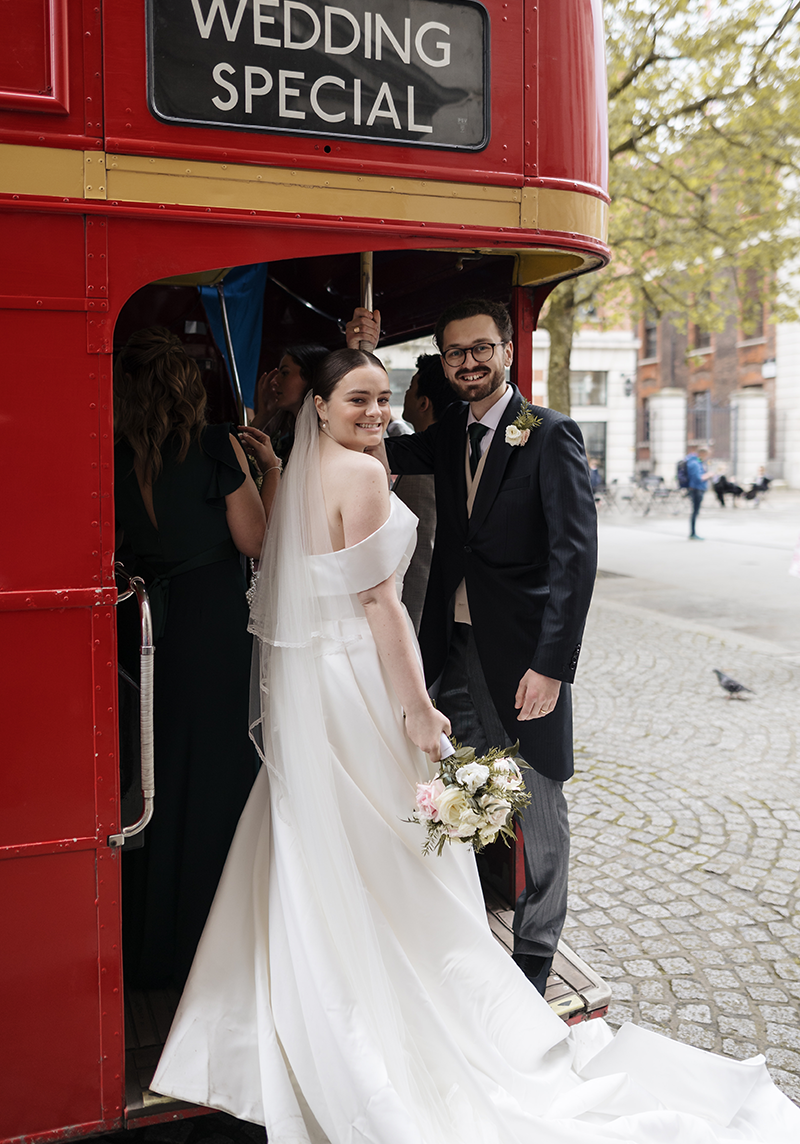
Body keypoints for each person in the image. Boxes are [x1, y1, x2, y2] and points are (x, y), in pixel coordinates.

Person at [151, 347, 799, 1142]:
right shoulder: (356, 477)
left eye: (385, 397)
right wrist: (420, 710)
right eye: (357, 398)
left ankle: (296, 1001)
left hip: (314, 683)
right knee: (394, 844)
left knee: (321, 834)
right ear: (317, 405)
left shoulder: (303, 467)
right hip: (361, 678)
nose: (376, 411)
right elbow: (383, 607)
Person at [347, 299, 596, 996]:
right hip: (449, 648)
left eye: (482, 348)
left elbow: (575, 563)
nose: (470, 362)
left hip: (524, 658)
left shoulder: (550, 435)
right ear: (444, 361)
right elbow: (373, 443)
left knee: (539, 800)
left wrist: (551, 666)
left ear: (508, 351)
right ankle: (468, 917)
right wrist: (366, 356)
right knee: (463, 786)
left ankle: (537, 948)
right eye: (456, 353)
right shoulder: (450, 426)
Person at [114, 327, 279, 989]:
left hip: (149, 623)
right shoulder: (216, 445)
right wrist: (270, 467)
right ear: (188, 389)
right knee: (218, 775)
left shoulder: (119, 454)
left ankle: (155, 942)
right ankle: (212, 940)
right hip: (213, 623)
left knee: (162, 774)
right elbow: (257, 539)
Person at [394, 354, 459, 631]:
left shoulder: (422, 470)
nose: (405, 395)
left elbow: (420, 557)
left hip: (417, 615)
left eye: (410, 388)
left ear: (423, 403)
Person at [250, 343, 330, 461]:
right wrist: (263, 415)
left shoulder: (327, 443)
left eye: (284, 373)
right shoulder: (286, 442)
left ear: (310, 376)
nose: (274, 381)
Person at [686, 446, 709, 539]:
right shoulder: (695, 463)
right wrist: (708, 475)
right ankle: (692, 533)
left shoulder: (697, 462)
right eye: (706, 455)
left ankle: (693, 533)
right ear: (702, 454)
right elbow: (698, 478)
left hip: (697, 489)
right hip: (696, 489)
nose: (707, 457)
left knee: (695, 511)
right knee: (695, 511)